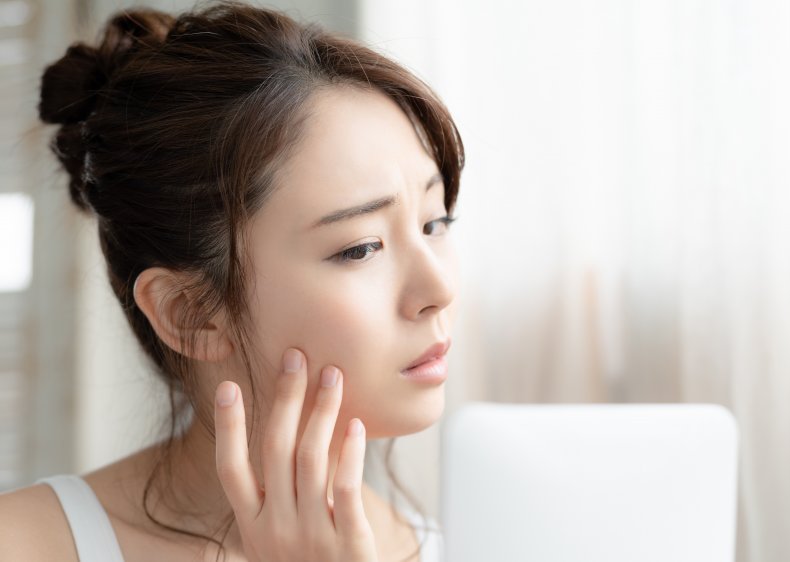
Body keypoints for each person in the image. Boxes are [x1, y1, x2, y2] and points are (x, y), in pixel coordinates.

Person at [0, 1, 463, 560]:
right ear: (190, 312)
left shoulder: (442, 546)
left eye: (434, 222)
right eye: (361, 247)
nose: (438, 290)